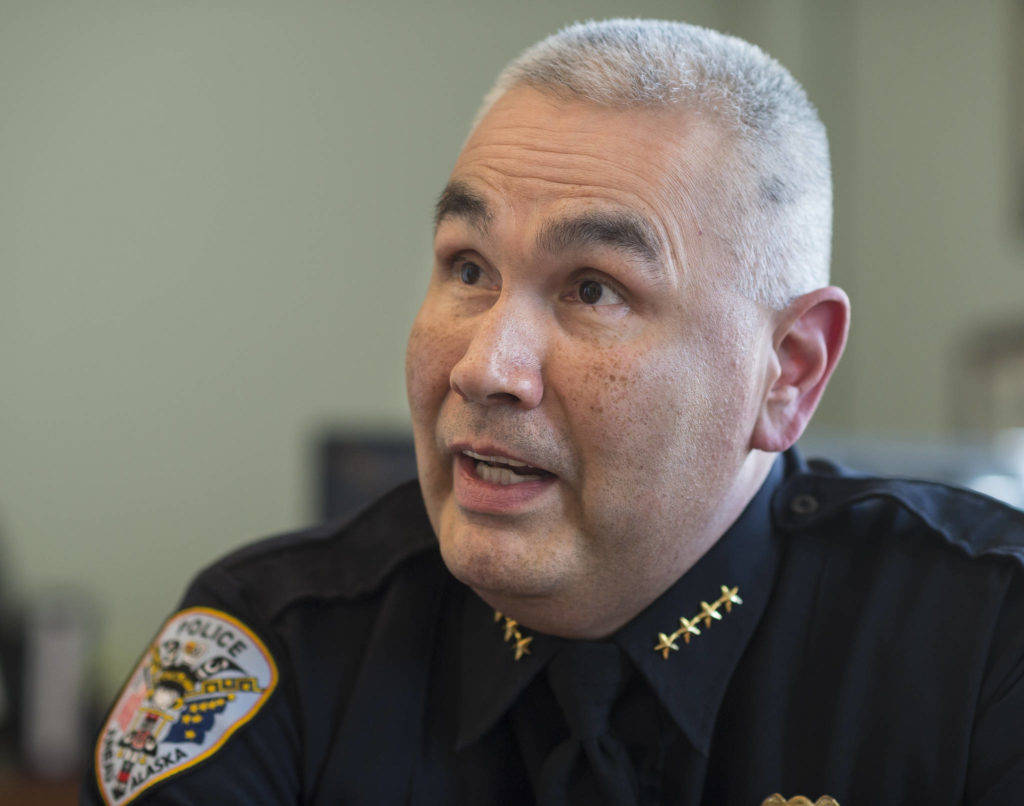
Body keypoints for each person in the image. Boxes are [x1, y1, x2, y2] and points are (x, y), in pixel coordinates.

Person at [83, 18, 1024, 806]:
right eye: (467, 268)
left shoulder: (986, 645)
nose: (487, 367)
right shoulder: (274, 649)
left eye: (593, 289)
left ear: (787, 370)